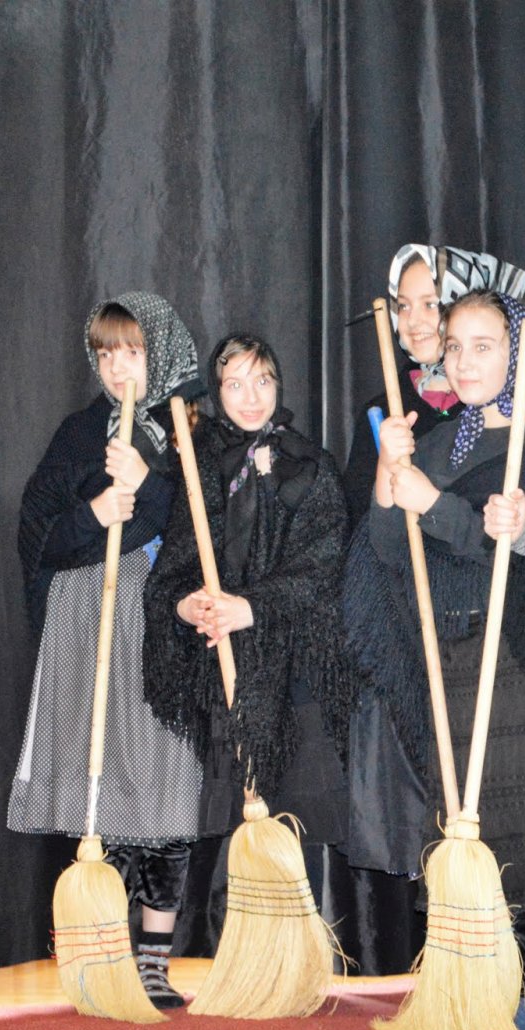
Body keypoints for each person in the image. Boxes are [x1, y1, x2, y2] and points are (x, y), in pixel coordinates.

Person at [343, 290, 525, 1021]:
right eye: (455, 346)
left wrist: (432, 504)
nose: (465, 362)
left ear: (517, 356)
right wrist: (389, 476)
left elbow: (517, 555)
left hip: (513, 654)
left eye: (484, 346)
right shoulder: (439, 443)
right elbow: (387, 551)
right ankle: (477, 977)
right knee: (462, 819)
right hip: (446, 655)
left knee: (516, 813)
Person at [9, 291, 203, 1009]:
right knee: (102, 788)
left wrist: (148, 487)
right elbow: (37, 537)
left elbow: (204, 529)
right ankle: (105, 956)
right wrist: (94, 512)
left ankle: (154, 961)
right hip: (88, 620)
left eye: (133, 350)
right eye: (105, 352)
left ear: (160, 351)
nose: (118, 367)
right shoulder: (79, 433)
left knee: (166, 783)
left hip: (161, 623)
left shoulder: (188, 430)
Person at [143, 334, 353, 870]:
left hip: (295, 680)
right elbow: (173, 571)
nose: (251, 396)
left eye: (261, 380)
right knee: (233, 847)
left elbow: (324, 566)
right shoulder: (203, 471)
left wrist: (251, 608)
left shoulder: (312, 466)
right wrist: (188, 606)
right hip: (228, 683)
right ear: (218, 393)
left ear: (278, 383)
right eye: (234, 384)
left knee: (300, 839)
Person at [340, 244, 525, 521]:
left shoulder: (510, 407)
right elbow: (358, 522)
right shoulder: (384, 413)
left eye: (430, 304)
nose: (413, 320)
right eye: (403, 306)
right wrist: (386, 468)